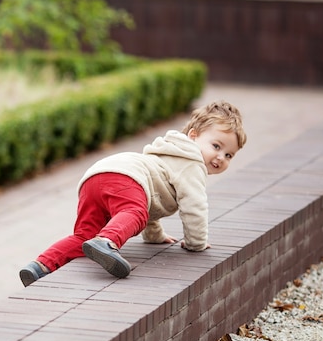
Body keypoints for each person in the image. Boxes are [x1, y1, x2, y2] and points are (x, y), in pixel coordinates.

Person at [19, 100, 247, 287]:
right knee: (133, 212)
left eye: (229, 155)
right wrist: (196, 243)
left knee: (83, 237)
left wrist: (154, 236)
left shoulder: (169, 153)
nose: (220, 157)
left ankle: (40, 266)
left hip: (95, 177)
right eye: (216, 146)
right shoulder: (192, 163)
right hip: (125, 178)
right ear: (194, 136)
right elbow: (194, 206)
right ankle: (107, 241)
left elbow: (153, 197)